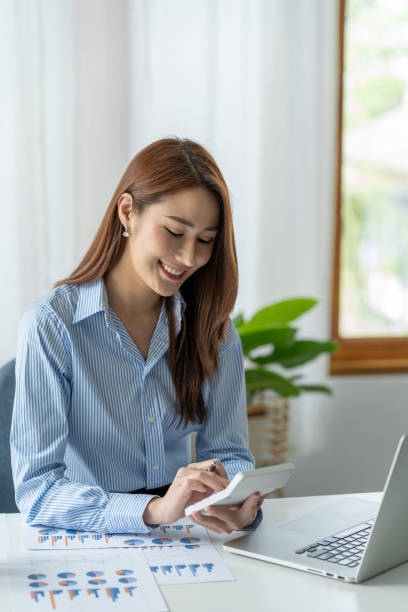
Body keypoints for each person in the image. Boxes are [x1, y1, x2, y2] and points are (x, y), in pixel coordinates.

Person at [10, 137, 263, 535]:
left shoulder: (214, 329)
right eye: (175, 232)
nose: (189, 257)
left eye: (205, 240)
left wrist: (237, 503)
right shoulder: (52, 325)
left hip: (185, 538)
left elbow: (229, 454)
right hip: (89, 539)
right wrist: (153, 510)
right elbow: (37, 491)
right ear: (128, 212)